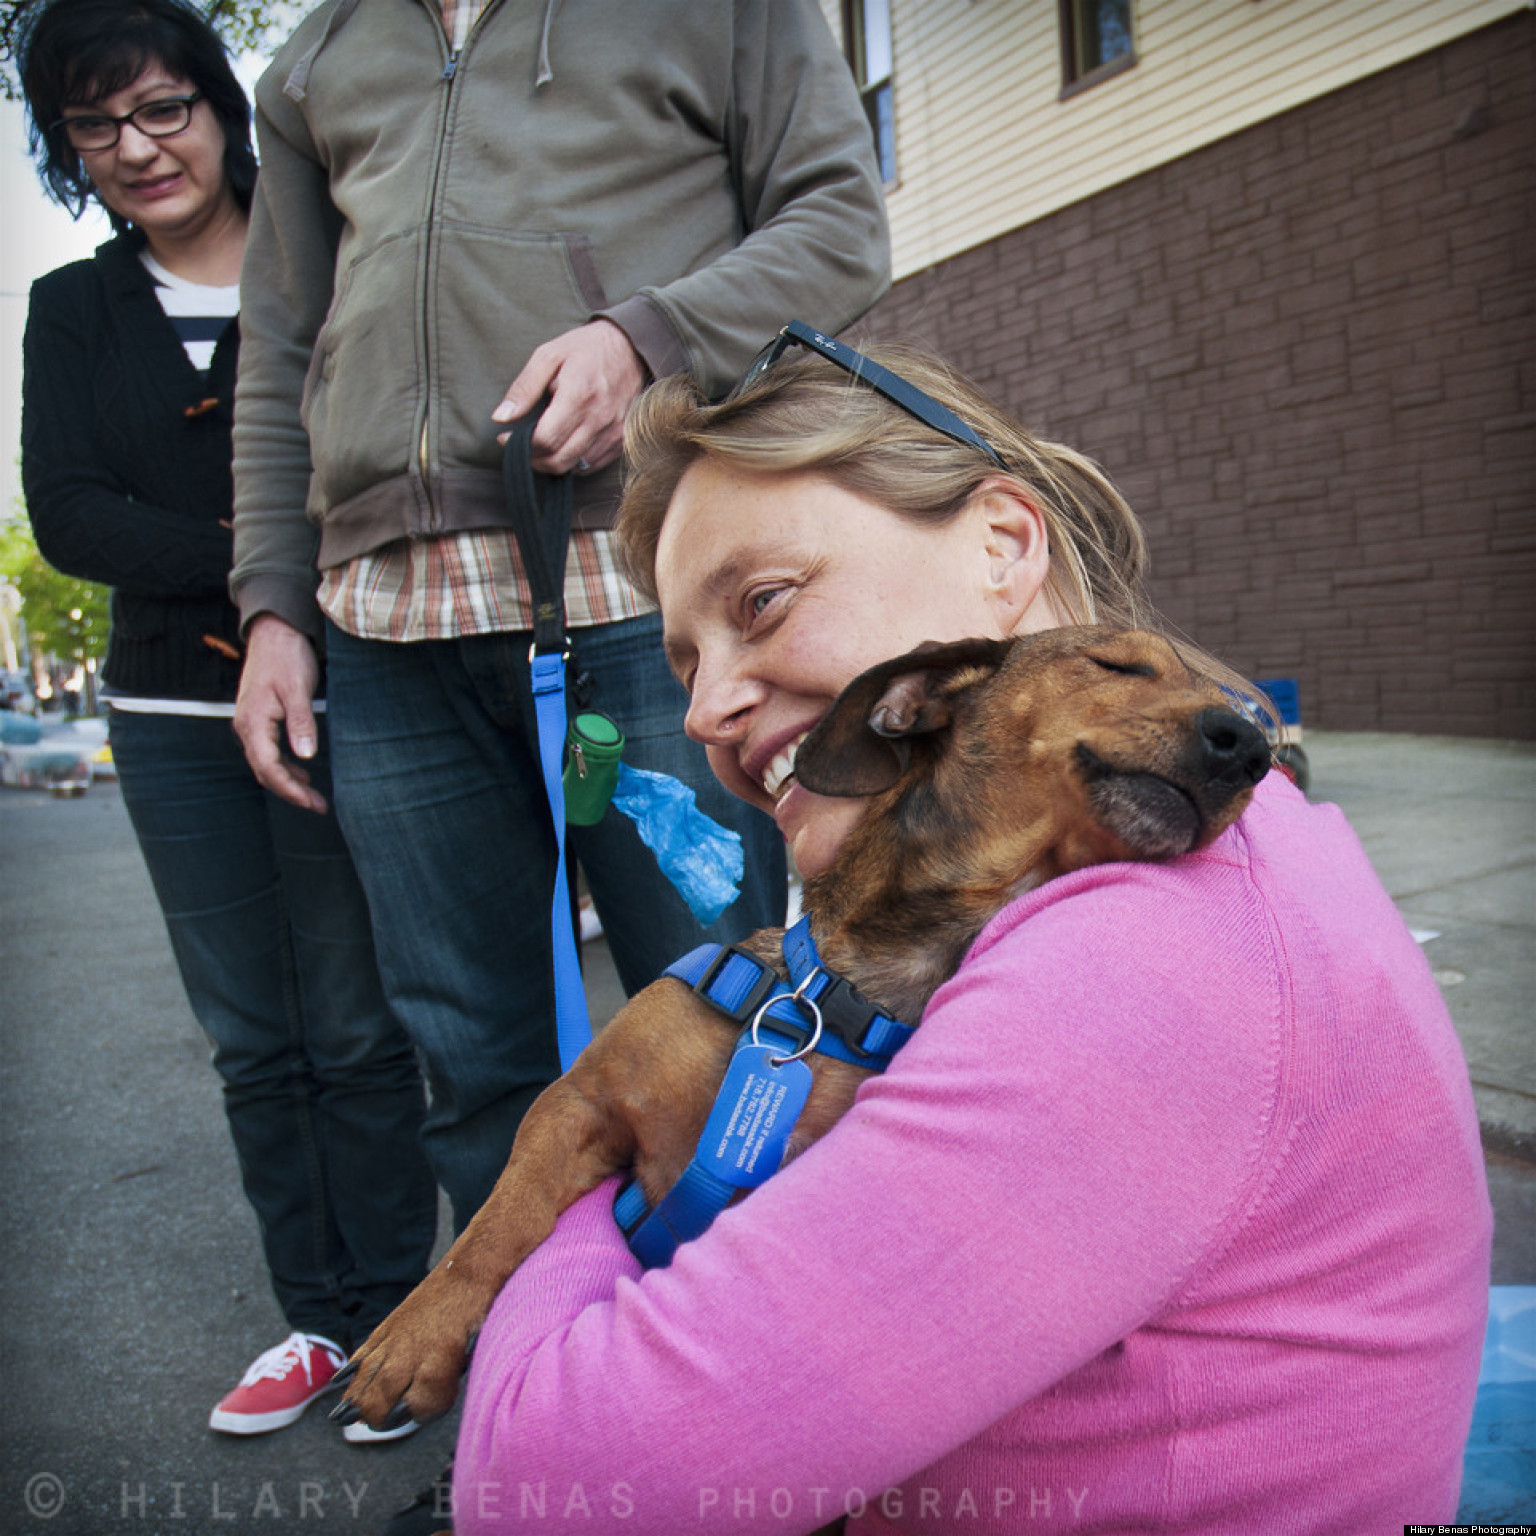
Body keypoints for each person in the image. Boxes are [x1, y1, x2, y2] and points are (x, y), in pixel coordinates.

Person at [447, 335, 1494, 1533]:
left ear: (1003, 543)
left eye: (764, 603)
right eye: (686, 658)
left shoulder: (1139, 962)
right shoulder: (1201, 863)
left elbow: (544, 1495)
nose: (702, 710)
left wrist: (597, 1165)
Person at [227, 0, 891, 1244]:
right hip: (381, 628)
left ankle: (748, 1382)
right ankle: (536, 1373)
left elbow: (843, 226)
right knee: (471, 1057)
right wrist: (271, 604)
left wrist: (650, 342)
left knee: (723, 1019)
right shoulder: (314, 57)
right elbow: (279, 350)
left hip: (645, 599)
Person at [14, 0, 437, 1443]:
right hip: (166, 711)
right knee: (254, 1038)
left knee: (359, 1024)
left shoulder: (325, 255)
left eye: (161, 110)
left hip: (346, 683)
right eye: (93, 128)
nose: (136, 149)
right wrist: (261, 556)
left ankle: (397, 1318)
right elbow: (68, 515)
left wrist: (287, 590)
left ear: (217, 101)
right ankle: (315, 1318)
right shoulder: (71, 309)